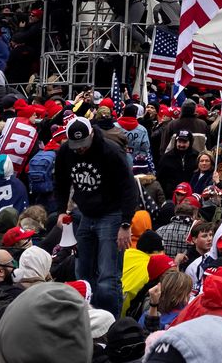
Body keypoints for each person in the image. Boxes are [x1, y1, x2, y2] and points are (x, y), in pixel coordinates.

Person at [54, 116, 142, 315]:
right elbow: (60, 183)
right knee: (82, 273)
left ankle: (110, 323)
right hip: (85, 213)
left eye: (83, 144)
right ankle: (87, 317)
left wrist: (126, 223)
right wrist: (60, 211)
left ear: (92, 134)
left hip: (112, 213)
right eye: (75, 145)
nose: (80, 149)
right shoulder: (65, 152)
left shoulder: (110, 151)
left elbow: (129, 188)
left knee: (107, 277)